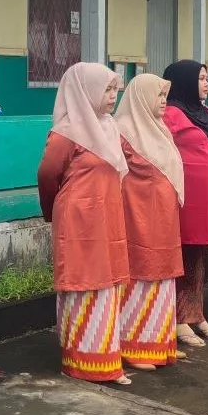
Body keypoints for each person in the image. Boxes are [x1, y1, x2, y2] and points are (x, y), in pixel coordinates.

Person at [37, 62, 131, 384]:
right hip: (79, 220)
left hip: (107, 218)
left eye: (115, 90)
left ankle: (107, 359)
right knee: (83, 284)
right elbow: (48, 175)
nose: (112, 96)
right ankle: (81, 362)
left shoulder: (109, 128)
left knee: (107, 284)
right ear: (84, 91)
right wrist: (55, 211)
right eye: (106, 89)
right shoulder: (66, 132)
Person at [114, 74, 185, 370]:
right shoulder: (121, 132)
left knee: (162, 277)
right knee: (140, 277)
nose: (163, 102)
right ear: (141, 97)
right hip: (137, 219)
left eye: (165, 95)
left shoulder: (159, 130)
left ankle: (161, 343)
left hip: (164, 220)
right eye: (158, 95)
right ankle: (133, 346)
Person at [162, 60, 208, 348]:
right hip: (188, 199)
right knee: (186, 255)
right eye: (200, 78)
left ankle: (196, 313)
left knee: (201, 257)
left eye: (207, 77)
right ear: (184, 81)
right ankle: (179, 319)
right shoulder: (172, 114)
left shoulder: (205, 112)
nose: (206, 84)